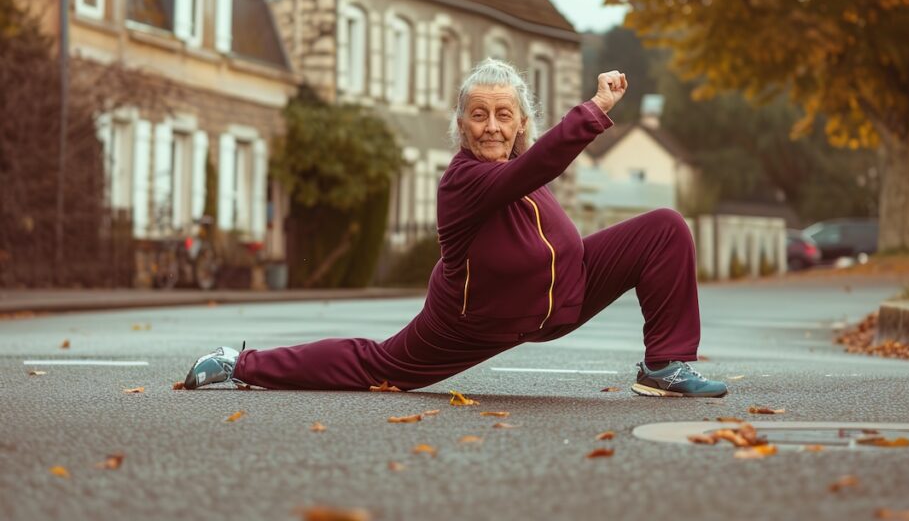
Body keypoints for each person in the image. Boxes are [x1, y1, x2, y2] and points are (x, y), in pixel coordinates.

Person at [183, 59, 726, 398]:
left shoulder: (523, 171)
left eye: (504, 114)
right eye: (479, 115)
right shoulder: (463, 181)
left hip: (564, 299)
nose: (492, 126)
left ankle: (664, 367)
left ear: (521, 123)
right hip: (472, 322)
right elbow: (536, 167)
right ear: (461, 124)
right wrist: (596, 108)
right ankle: (241, 363)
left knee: (664, 227)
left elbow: (532, 182)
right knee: (377, 366)